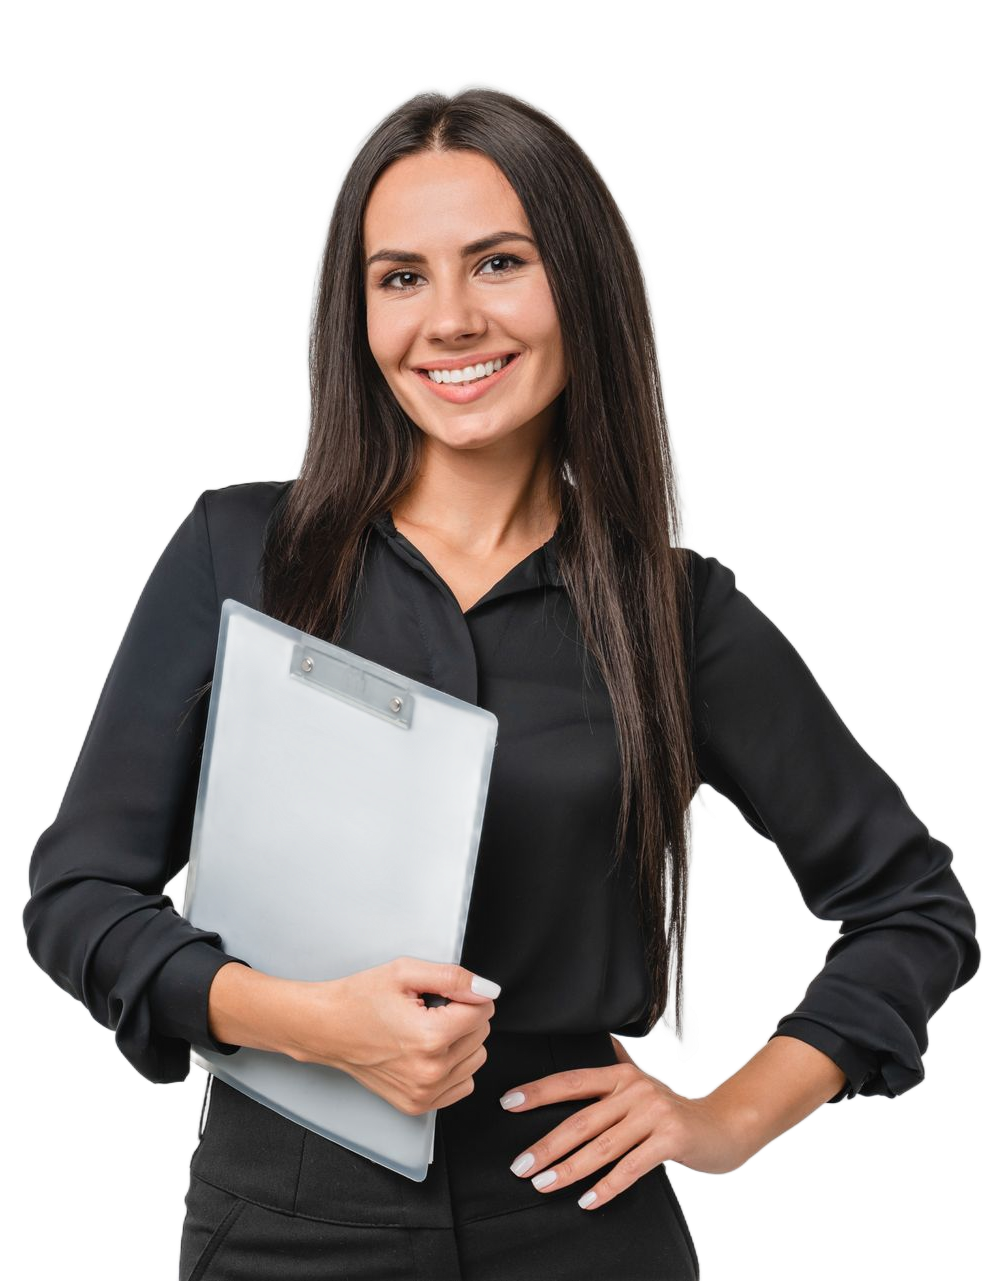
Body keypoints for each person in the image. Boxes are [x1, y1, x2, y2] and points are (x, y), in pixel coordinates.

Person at [22, 79, 981, 1281]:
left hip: (579, 1224)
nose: (451, 320)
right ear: (355, 314)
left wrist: (726, 1121)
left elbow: (912, 907)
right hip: (279, 1230)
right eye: (401, 277)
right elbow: (75, 896)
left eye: (499, 263)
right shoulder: (238, 554)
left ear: (579, 286)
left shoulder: (674, 617)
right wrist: (310, 1024)